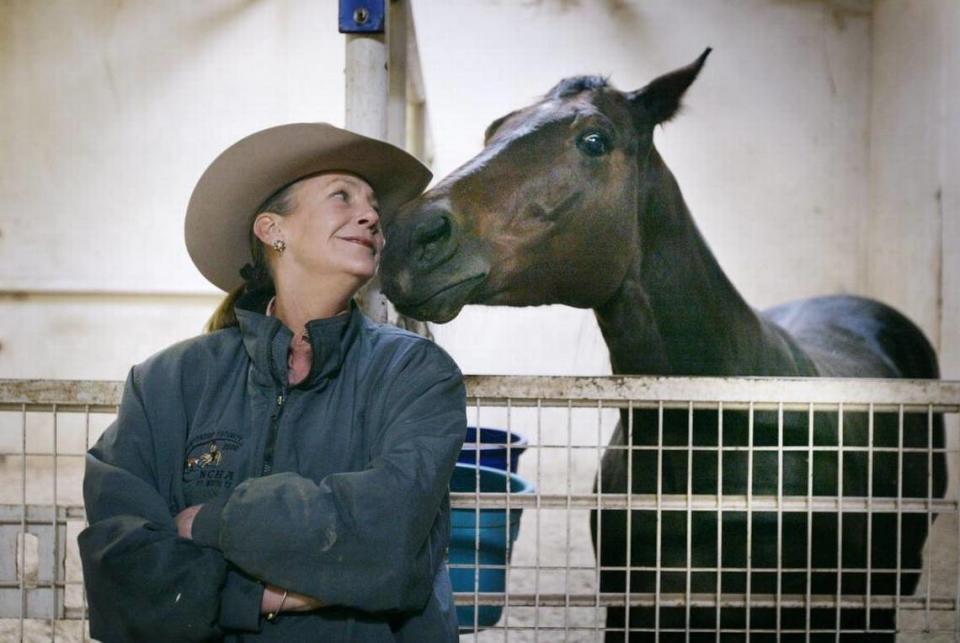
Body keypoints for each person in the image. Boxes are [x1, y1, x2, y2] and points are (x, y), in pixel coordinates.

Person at [78, 123, 467, 641]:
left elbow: (390, 537)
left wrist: (216, 523)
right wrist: (256, 598)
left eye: (373, 205)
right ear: (271, 229)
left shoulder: (415, 373)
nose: (371, 217)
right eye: (342, 197)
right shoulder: (166, 382)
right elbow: (120, 558)